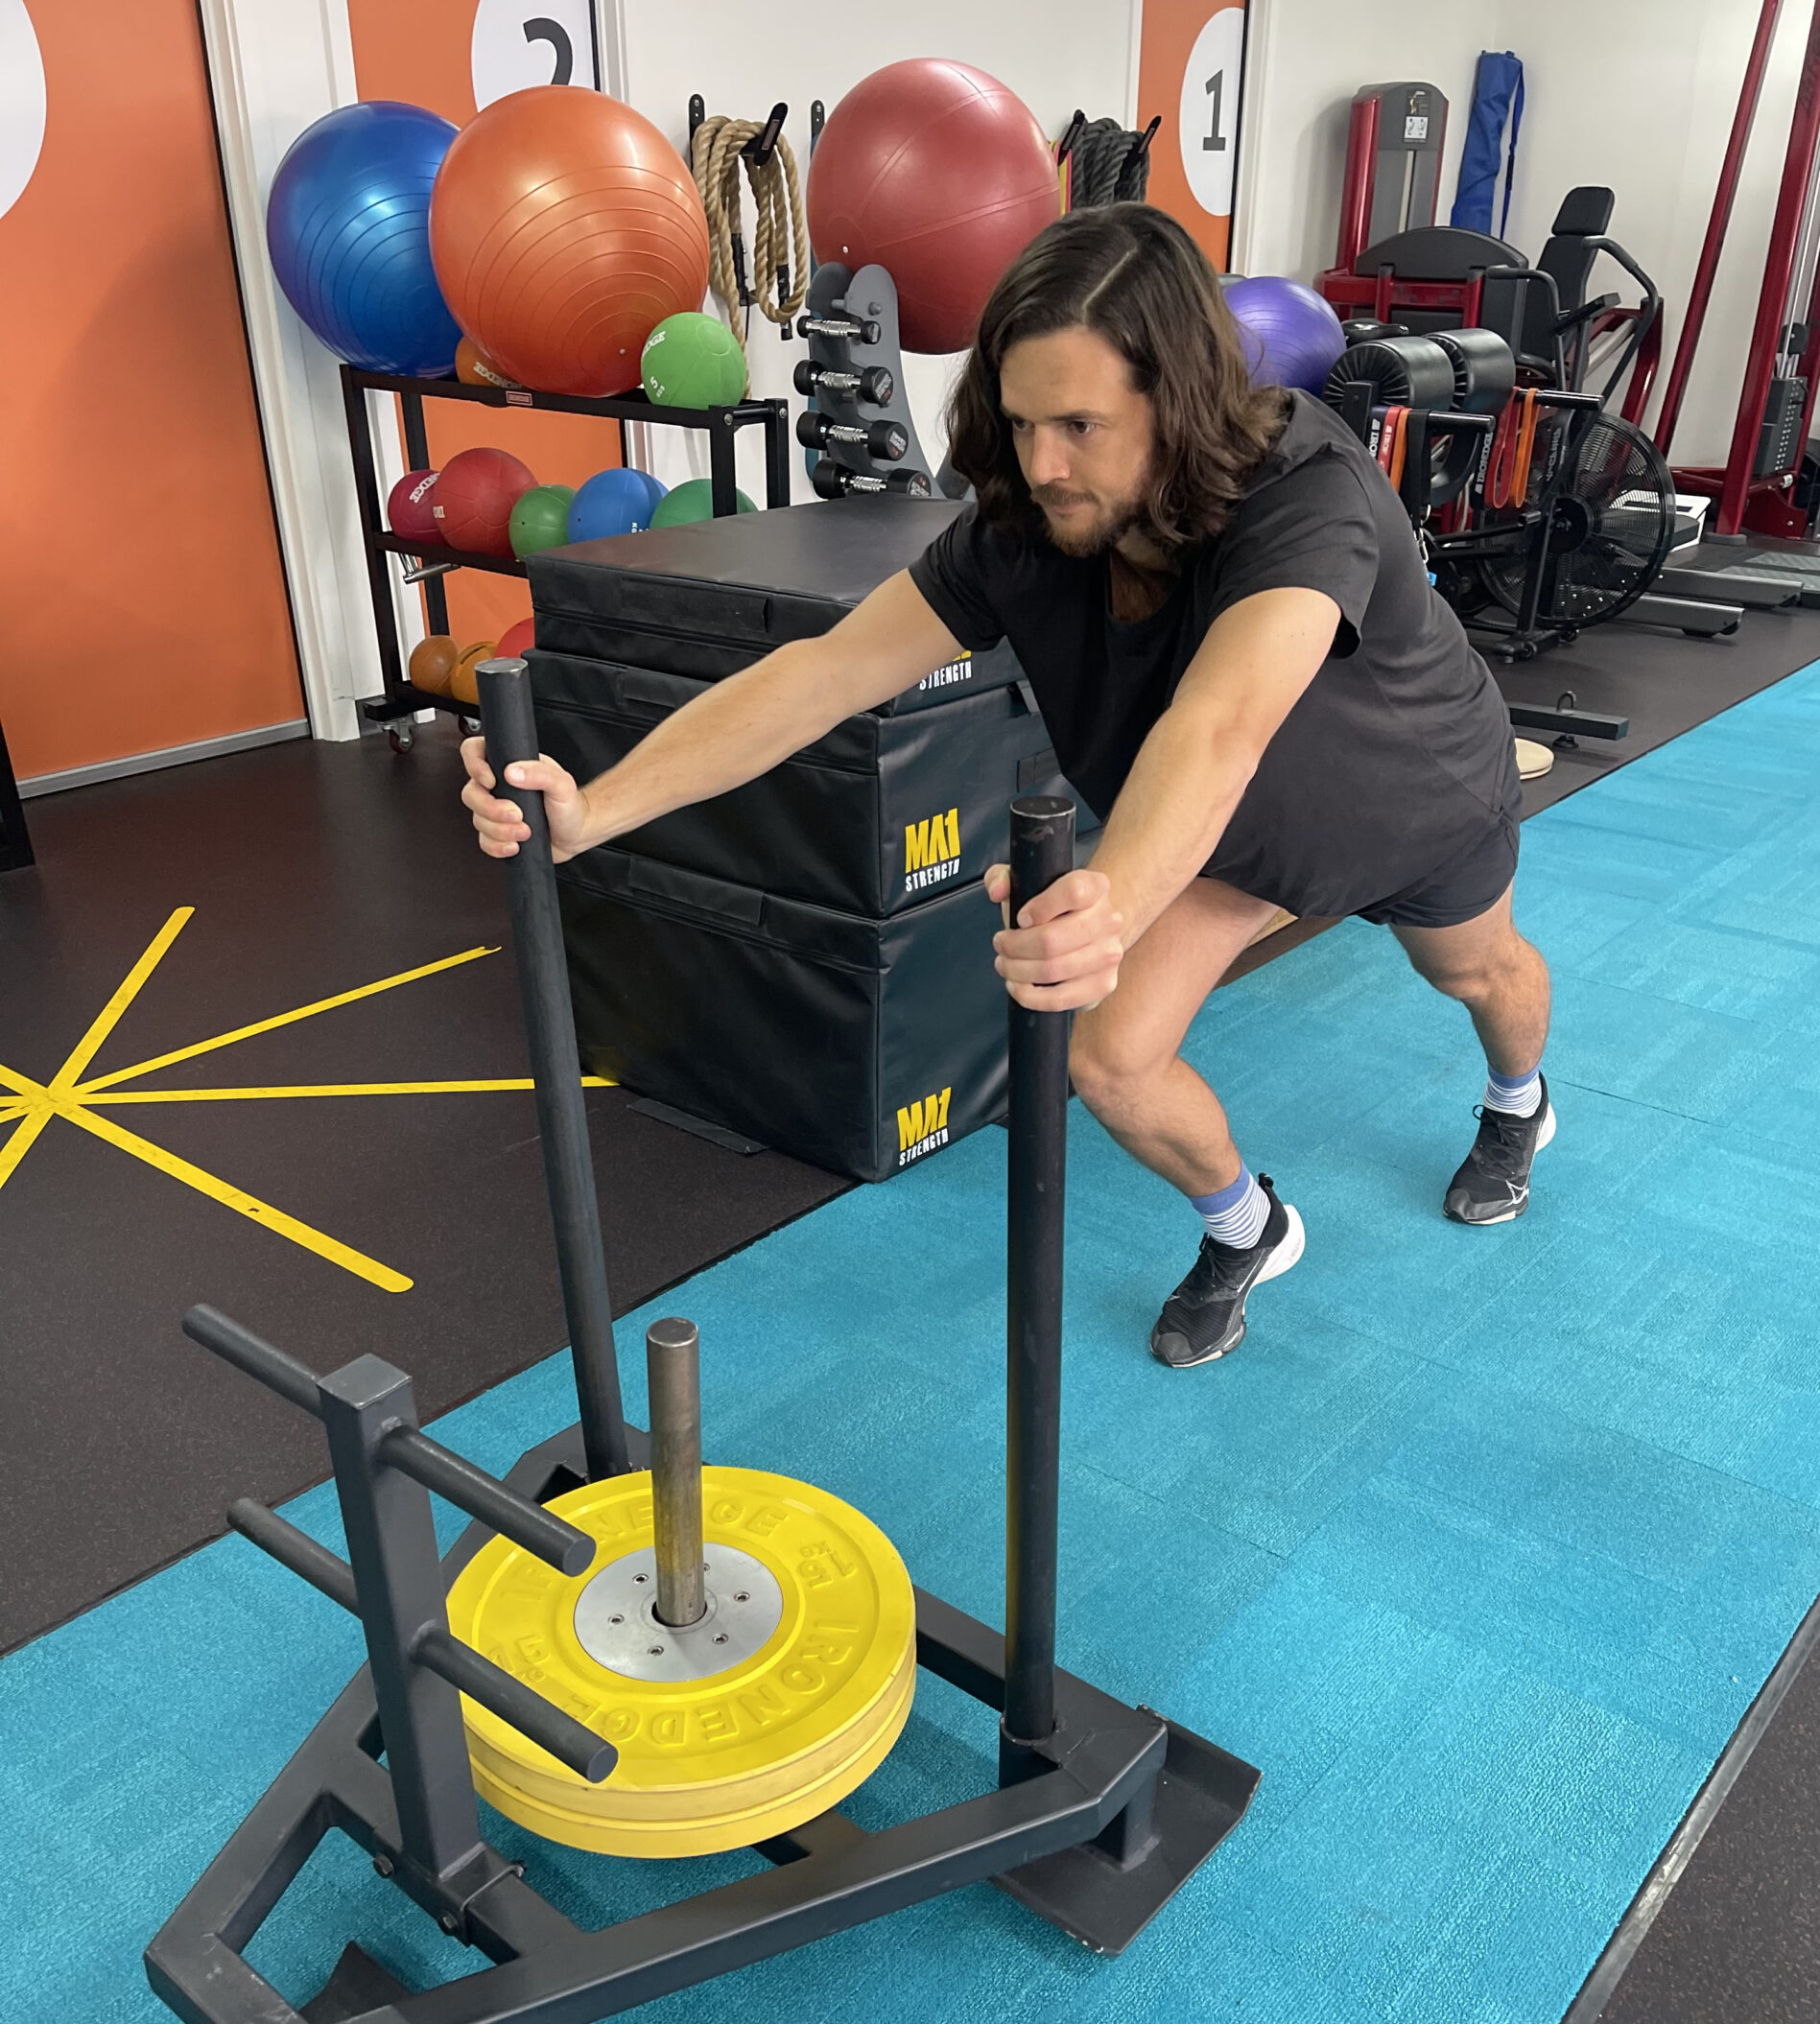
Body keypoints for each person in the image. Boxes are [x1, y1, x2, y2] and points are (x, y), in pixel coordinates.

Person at [461, 204, 1553, 1371]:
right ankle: (1250, 1225)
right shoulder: (1025, 521)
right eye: (1025, 422)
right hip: (1229, 840)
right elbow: (822, 674)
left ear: (1176, 400)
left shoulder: (1303, 491)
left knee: (1474, 972)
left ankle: (1518, 1103)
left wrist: (1112, 900)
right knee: (1110, 1060)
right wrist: (596, 808)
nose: (1042, 465)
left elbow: (1223, 720)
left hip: (1408, 801)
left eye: (1081, 424)